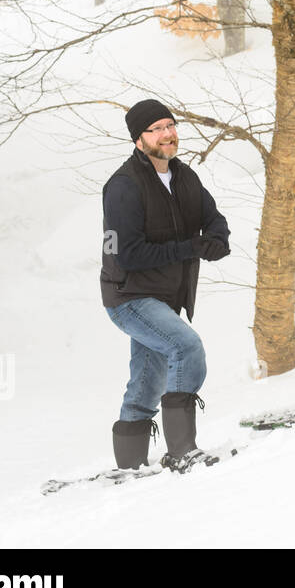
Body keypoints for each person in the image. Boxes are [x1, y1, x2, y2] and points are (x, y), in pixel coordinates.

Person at [101, 99, 231, 472]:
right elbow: (127, 254)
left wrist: (216, 240)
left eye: (170, 125)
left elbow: (213, 217)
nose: (167, 134)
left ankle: (130, 465)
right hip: (128, 295)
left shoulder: (184, 176)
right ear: (139, 139)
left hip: (165, 297)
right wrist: (191, 247)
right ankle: (181, 450)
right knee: (185, 347)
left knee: (146, 378)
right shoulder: (123, 186)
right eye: (156, 129)